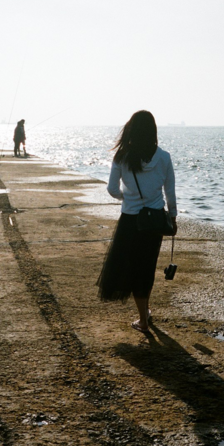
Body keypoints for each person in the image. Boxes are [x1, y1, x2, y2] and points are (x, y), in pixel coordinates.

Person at [97, 110, 177, 334]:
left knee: (133, 268)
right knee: (147, 267)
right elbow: (170, 192)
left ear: (131, 130)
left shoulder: (122, 156)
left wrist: (128, 198)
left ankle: (143, 319)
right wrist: (173, 217)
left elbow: (112, 189)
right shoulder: (164, 157)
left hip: (130, 220)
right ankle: (145, 314)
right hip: (155, 221)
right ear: (153, 131)